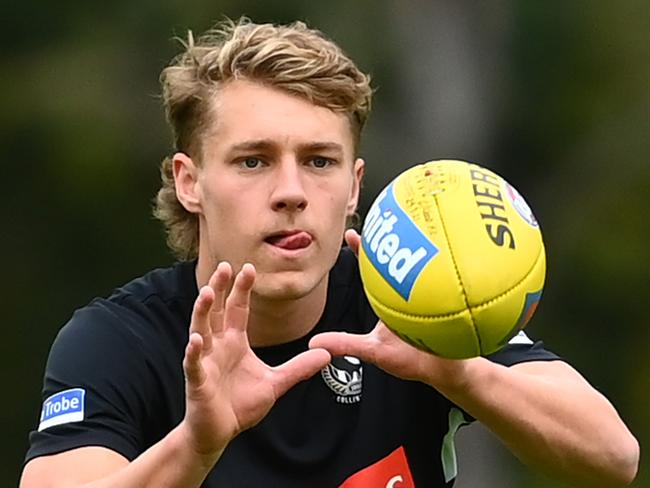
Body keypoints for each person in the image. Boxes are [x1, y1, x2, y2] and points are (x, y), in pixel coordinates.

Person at [20, 17, 639, 488]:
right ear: (190, 182)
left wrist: (450, 369)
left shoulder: (412, 301)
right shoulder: (118, 339)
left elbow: (613, 458)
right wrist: (196, 445)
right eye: (253, 160)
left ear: (353, 187)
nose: (291, 192)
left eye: (319, 161)